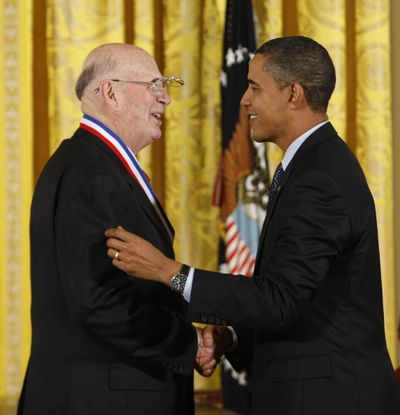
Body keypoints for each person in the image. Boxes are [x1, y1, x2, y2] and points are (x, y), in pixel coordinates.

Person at [105, 36, 400, 414]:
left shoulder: (320, 177)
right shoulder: (311, 165)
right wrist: (232, 337)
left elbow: (280, 301)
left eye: (255, 87)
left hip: (329, 399)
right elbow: (303, 299)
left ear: (294, 94)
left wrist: (171, 273)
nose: (244, 100)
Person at [17, 43, 220, 415]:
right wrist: (188, 342)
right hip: (102, 398)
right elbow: (99, 302)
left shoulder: (89, 162)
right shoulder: (94, 175)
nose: (165, 100)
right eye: (155, 86)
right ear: (110, 92)